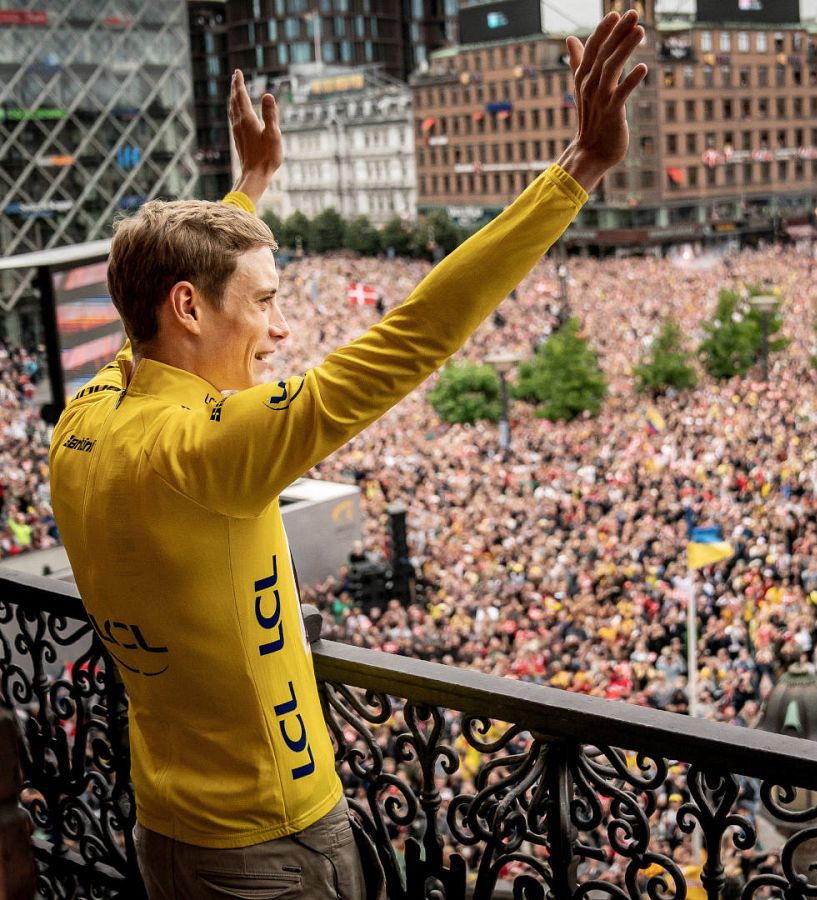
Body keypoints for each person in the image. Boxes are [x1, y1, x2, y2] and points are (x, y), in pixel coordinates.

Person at [45, 12, 648, 899]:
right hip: (268, 846)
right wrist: (578, 170)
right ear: (189, 309)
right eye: (265, 301)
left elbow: (160, 302)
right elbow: (417, 333)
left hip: (164, 827)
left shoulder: (85, 416)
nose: (282, 326)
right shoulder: (204, 450)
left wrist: (248, 187)